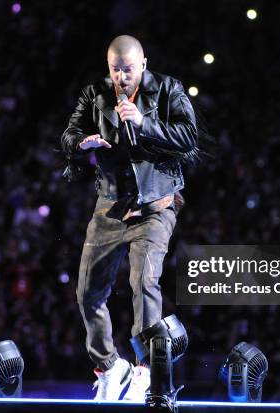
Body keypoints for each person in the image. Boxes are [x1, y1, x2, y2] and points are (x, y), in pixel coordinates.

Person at [61, 35, 198, 401]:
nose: (121, 77)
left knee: (143, 282)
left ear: (143, 65)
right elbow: (69, 132)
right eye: (115, 69)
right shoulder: (95, 94)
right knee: (87, 293)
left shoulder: (169, 90)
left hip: (155, 207)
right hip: (110, 207)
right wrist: (79, 144)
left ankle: (143, 370)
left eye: (128, 70)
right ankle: (109, 367)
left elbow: (188, 135)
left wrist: (144, 123)